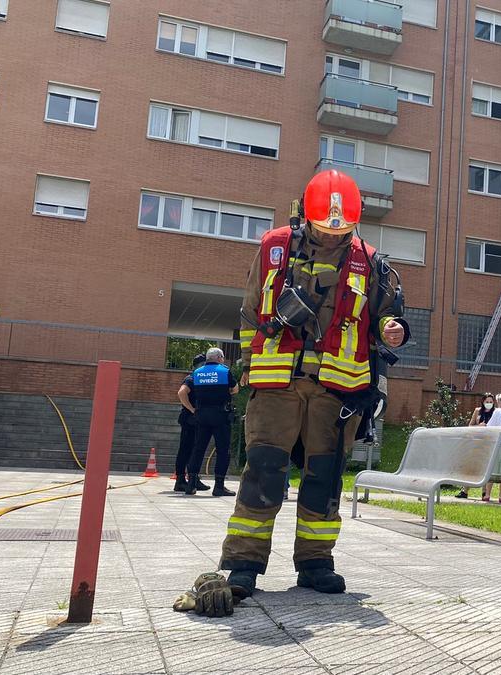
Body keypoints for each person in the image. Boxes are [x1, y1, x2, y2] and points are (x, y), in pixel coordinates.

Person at [188, 169, 408, 614]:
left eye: (342, 228)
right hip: (277, 385)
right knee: (263, 471)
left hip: (336, 392)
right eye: (326, 226)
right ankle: (243, 564)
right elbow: (251, 312)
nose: (333, 234)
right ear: (306, 216)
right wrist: (251, 368)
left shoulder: (372, 263)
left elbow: (390, 320)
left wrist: (393, 329)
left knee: (323, 480)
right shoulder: (273, 250)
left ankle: (315, 562)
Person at [179, 347, 239, 497]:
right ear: (219, 357)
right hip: (220, 415)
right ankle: (219, 486)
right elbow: (235, 389)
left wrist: (192, 409)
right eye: (222, 358)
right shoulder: (224, 371)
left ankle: (191, 483)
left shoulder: (197, 373)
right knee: (223, 451)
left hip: (201, 415)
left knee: (198, 449)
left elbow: (184, 392)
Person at [174, 353, 209, 493]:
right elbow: (181, 393)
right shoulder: (192, 378)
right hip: (190, 420)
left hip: (197, 420)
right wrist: (192, 410)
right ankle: (180, 480)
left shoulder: (200, 378)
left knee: (195, 450)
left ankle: (194, 478)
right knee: (185, 450)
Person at [455, 393, 495, 499]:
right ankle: (465, 491)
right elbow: (470, 426)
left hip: (488, 444)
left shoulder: (496, 413)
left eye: (491, 402)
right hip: (477, 443)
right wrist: (479, 426)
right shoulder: (477, 411)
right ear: (483, 402)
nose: (489, 404)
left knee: (486, 467)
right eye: (487, 402)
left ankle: (484, 492)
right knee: (472, 466)